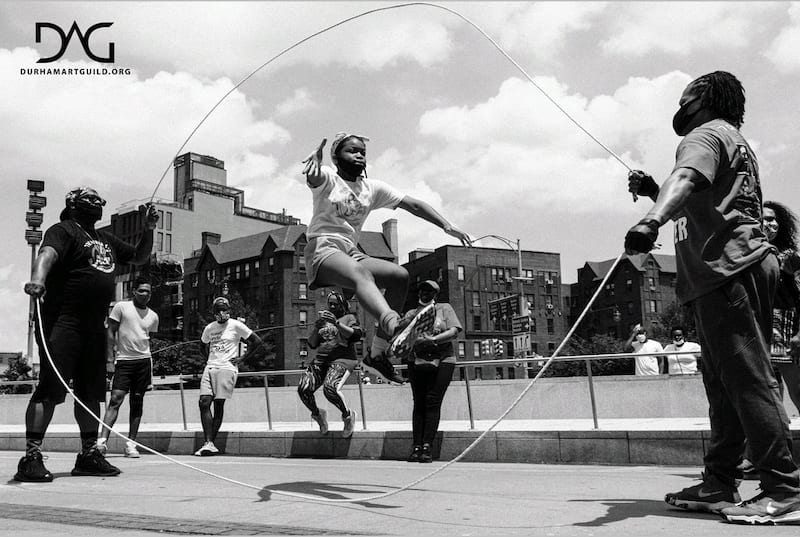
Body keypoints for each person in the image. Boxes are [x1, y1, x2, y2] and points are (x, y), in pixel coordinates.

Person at [625, 71, 800, 523]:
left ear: (704, 99)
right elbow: (707, 195)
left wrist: (651, 219)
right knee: (722, 386)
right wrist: (653, 190)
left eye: (685, 98)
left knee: (746, 378)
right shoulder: (729, 139)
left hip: (729, 270)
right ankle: (719, 482)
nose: (679, 108)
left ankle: (784, 488)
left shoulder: (704, 134)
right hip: (723, 273)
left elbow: (686, 177)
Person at [301, 133, 471, 383]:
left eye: (362, 152)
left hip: (350, 250)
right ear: (336, 157)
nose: (359, 155)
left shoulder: (372, 189)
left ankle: (377, 353)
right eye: (351, 151)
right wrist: (314, 167)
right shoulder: (328, 177)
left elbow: (412, 204)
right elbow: (314, 176)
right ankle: (394, 325)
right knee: (362, 274)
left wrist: (446, 226)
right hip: (322, 247)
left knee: (399, 276)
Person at [15, 187, 157, 482]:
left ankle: (89, 454)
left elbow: (140, 258)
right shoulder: (64, 230)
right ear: (73, 203)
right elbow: (47, 254)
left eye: (100, 200)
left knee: (91, 393)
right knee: (50, 389)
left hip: (94, 327)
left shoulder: (106, 239)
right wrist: (37, 281)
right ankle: (31, 456)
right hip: (62, 323)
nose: (98, 203)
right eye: (91, 199)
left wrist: (149, 230)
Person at [97, 275, 159, 458]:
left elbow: (150, 339)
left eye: (148, 291)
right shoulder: (121, 307)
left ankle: (131, 444)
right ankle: (101, 442)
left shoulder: (154, 316)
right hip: (123, 361)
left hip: (143, 362)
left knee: (137, 403)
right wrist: (109, 360)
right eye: (141, 290)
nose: (145, 294)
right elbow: (110, 332)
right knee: (115, 399)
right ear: (134, 291)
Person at [195, 297, 265, 456]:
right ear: (214, 312)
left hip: (227, 368)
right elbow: (202, 344)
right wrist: (208, 358)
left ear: (229, 310)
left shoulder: (236, 325)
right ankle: (208, 442)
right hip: (210, 366)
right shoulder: (209, 328)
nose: (222, 313)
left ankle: (210, 442)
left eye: (224, 309)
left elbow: (257, 341)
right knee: (204, 402)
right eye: (218, 310)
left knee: (218, 404)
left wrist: (242, 358)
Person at [405, 280, 462, 463]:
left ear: (435, 294)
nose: (424, 293)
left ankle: (427, 446)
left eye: (429, 291)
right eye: (421, 290)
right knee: (419, 402)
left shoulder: (444, 309)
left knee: (432, 401)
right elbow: (402, 335)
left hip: (443, 359)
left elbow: (454, 331)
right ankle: (416, 446)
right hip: (418, 360)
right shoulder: (412, 313)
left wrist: (434, 339)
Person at [297, 291, 361, 438]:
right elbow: (312, 344)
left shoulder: (350, 318)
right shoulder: (323, 321)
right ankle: (319, 415)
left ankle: (348, 416)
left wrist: (336, 323)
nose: (332, 306)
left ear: (342, 305)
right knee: (303, 388)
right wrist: (316, 328)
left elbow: (356, 335)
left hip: (342, 360)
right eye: (330, 303)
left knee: (330, 389)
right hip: (321, 361)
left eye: (335, 304)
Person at [762, 201, 800, 412]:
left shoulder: (788, 256)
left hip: (784, 323)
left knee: (796, 387)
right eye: (766, 219)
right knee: (771, 392)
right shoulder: (748, 255)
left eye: (774, 219)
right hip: (758, 325)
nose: (772, 224)